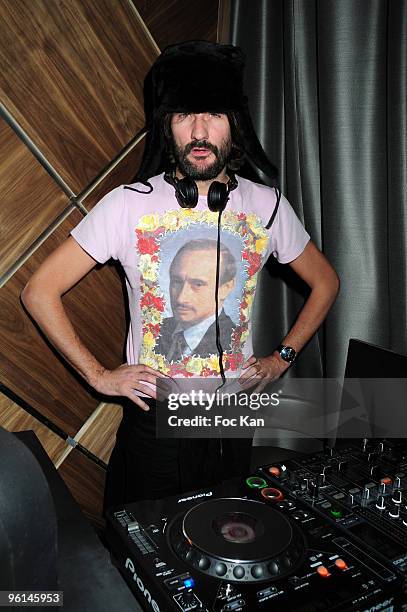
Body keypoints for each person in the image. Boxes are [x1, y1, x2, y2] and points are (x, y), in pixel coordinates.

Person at [21, 40, 339, 510]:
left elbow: (326, 282)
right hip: (156, 422)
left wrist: (281, 358)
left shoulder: (267, 206)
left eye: (212, 114)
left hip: (232, 416)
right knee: (146, 548)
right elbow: (39, 290)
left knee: (225, 534)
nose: (198, 131)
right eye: (183, 116)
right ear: (166, 126)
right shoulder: (127, 204)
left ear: (235, 122)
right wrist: (99, 376)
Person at [157, 239, 236, 360]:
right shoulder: (155, 331)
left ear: (225, 288)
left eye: (198, 284)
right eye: (177, 282)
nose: (181, 298)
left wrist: (276, 361)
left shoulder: (234, 341)